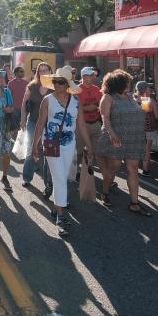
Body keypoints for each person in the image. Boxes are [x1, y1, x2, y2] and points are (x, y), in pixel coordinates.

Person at [32, 66, 92, 237]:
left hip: (69, 144)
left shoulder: (76, 102)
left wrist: (89, 146)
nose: (56, 85)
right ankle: (61, 216)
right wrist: (34, 146)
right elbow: (40, 123)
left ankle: (56, 206)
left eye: (60, 82)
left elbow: (81, 125)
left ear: (67, 84)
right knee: (59, 178)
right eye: (55, 81)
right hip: (51, 144)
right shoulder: (47, 100)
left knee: (63, 178)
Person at [97, 70, 150, 216]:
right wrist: (113, 135)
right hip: (115, 138)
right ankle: (105, 192)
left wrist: (145, 100)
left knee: (133, 168)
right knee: (113, 168)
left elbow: (145, 111)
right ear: (118, 83)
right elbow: (105, 118)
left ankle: (134, 203)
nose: (129, 84)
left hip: (133, 139)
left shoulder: (131, 98)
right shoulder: (108, 97)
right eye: (127, 82)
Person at [21, 63, 53, 192]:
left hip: (50, 124)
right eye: (41, 71)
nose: (43, 73)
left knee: (48, 153)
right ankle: (27, 178)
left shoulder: (56, 86)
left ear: (51, 71)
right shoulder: (32, 86)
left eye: (46, 70)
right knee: (31, 150)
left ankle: (48, 183)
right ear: (37, 73)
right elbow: (24, 103)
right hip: (34, 122)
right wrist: (23, 119)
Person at [76, 67, 103, 181]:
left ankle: (89, 167)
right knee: (79, 150)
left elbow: (102, 104)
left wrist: (99, 108)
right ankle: (76, 170)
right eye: (89, 75)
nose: (92, 77)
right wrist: (87, 108)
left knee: (96, 149)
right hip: (82, 125)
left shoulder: (97, 89)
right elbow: (74, 108)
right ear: (83, 77)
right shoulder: (76, 90)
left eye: (93, 75)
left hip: (96, 123)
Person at [134, 81, 158, 176]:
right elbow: (156, 116)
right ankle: (145, 170)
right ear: (145, 89)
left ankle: (134, 168)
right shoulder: (147, 100)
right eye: (149, 88)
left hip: (136, 127)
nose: (151, 89)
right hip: (147, 129)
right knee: (146, 149)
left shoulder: (134, 99)